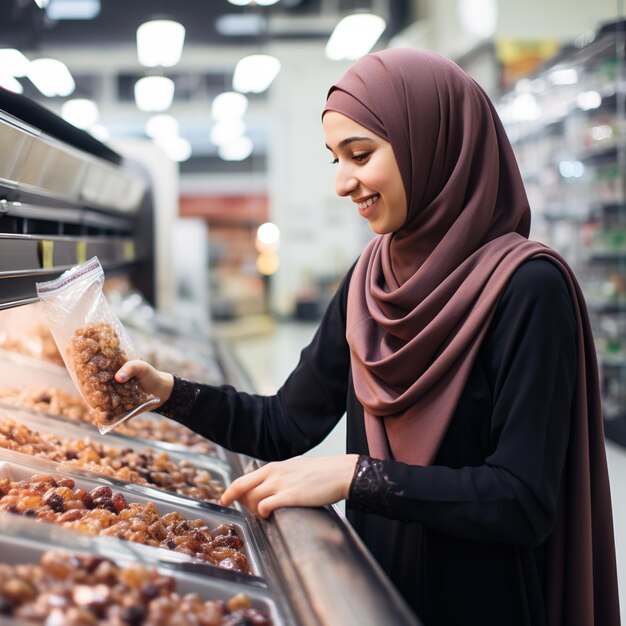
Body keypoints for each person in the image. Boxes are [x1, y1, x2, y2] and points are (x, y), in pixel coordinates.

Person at [115, 49, 620, 626]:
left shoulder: (529, 287)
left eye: (360, 155)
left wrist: (357, 476)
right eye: (335, 158)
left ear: (430, 144)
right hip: (376, 591)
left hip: (481, 603)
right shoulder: (369, 278)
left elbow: (522, 500)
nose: (341, 182)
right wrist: (167, 392)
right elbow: (285, 423)